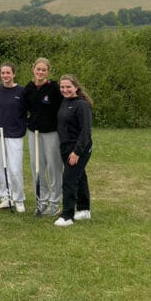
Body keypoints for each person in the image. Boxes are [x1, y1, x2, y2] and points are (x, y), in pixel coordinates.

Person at [23, 58, 64, 217]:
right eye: (38, 69)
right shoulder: (29, 88)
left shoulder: (53, 88)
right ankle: (42, 201)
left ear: (48, 71)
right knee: (37, 167)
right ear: (33, 69)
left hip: (51, 133)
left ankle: (55, 202)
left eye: (43, 70)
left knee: (54, 167)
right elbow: (23, 108)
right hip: (34, 133)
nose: (40, 72)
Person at [54, 74, 94, 227]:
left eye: (68, 87)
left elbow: (85, 131)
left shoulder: (81, 105)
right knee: (80, 176)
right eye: (62, 87)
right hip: (66, 146)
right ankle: (84, 210)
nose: (65, 90)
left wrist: (77, 152)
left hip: (79, 148)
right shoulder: (65, 101)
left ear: (76, 87)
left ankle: (67, 216)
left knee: (69, 180)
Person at [0, 62, 27, 213]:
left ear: (14, 74)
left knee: (15, 168)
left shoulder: (22, 91)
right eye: (3, 73)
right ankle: (5, 196)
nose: (5, 75)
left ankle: (18, 199)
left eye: (8, 73)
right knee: (0, 168)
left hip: (15, 134)